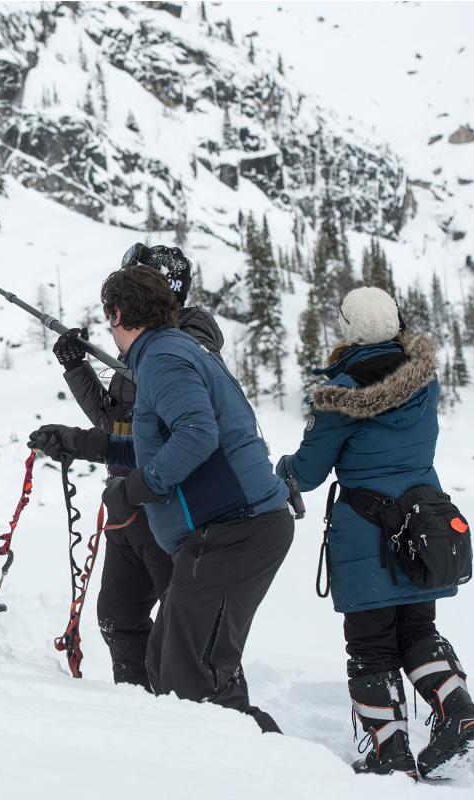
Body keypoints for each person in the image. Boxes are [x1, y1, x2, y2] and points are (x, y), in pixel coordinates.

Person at [29, 265, 292, 733]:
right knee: (167, 664)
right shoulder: (164, 353)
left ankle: (278, 770)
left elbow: (196, 436)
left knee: (195, 680)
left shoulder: (165, 357)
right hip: (222, 531)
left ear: (118, 314)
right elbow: (159, 443)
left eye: (108, 319)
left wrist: (134, 490)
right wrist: (80, 442)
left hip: (236, 528)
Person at [275, 286, 474, 779]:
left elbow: (307, 473)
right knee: (418, 630)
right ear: (397, 323)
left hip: (364, 533)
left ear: (349, 330)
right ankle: (460, 713)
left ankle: (388, 752)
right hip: (425, 527)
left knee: (371, 646)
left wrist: (281, 467)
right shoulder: (426, 382)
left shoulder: (339, 398)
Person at [50, 242, 224, 690]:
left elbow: (187, 427)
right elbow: (113, 420)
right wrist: (77, 369)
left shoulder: (188, 340)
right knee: (117, 614)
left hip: (170, 502)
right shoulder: (139, 347)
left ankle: (211, 707)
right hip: (125, 502)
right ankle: (138, 705)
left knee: (184, 620)